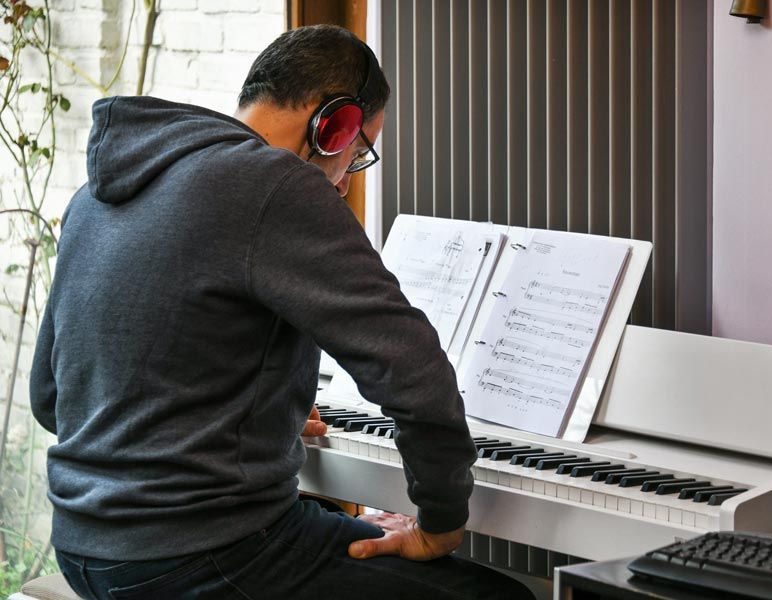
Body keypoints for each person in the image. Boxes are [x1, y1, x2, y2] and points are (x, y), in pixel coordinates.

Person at [30, 24, 534, 600]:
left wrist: (252, 415)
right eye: (359, 153)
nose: (344, 183)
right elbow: (413, 370)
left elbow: (51, 398)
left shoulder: (94, 196)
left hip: (85, 550)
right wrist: (439, 522)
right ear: (334, 124)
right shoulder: (275, 184)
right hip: (204, 557)